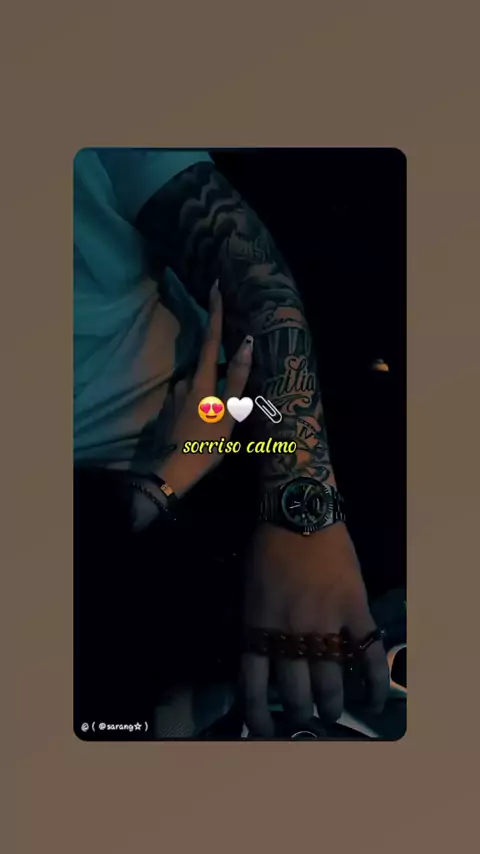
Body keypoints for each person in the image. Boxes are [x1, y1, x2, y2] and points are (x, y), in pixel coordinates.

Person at [74, 149, 389, 738]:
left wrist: (303, 511)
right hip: (109, 540)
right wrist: (158, 485)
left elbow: (249, 270)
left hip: (235, 418)